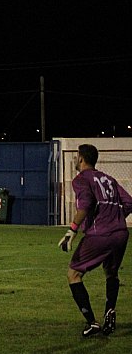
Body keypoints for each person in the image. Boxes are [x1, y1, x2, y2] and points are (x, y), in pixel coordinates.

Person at [58, 144, 132, 337]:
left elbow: (85, 205)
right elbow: (129, 202)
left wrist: (71, 231)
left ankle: (92, 322)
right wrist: (115, 218)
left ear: (81, 159)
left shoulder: (81, 179)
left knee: (73, 274)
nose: (75, 160)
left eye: (76, 157)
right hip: (121, 233)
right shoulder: (109, 179)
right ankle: (110, 311)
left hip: (101, 235)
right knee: (111, 272)